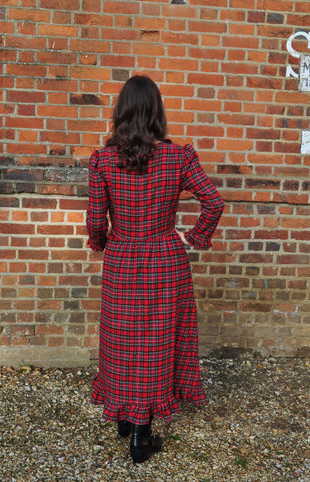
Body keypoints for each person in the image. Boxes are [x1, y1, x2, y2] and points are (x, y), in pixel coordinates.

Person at [86, 75, 224, 464]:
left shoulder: (103, 160)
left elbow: (96, 219)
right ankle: (140, 436)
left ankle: (127, 420)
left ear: (121, 111)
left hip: (123, 258)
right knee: (158, 340)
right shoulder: (178, 157)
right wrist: (192, 238)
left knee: (122, 340)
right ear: (157, 112)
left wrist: (101, 243)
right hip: (165, 258)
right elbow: (213, 203)